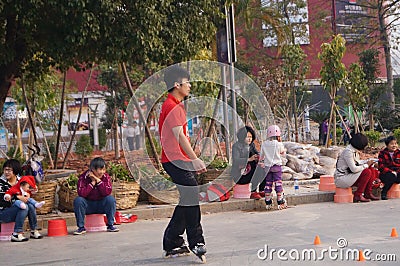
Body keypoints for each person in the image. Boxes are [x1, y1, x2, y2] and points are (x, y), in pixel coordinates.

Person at [159, 66, 207, 261]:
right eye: (187, 83)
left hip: (179, 160)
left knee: (188, 198)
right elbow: (179, 136)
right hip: (174, 160)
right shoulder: (171, 105)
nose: (189, 86)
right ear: (177, 85)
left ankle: (172, 241)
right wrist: (195, 159)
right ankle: (197, 242)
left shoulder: (176, 105)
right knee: (192, 196)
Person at [73, 157, 119, 235]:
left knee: (110, 199)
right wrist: (92, 183)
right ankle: (81, 227)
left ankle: (110, 225)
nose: (102, 172)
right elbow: (82, 193)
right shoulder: (83, 178)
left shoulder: (106, 177)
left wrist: (98, 181)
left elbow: (107, 192)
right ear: (92, 169)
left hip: (101, 205)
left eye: (103, 169)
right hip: (88, 206)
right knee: (78, 200)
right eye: (100, 170)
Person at [0, 159, 43, 241]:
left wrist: (31, 192)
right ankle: (17, 233)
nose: (6, 172)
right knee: (24, 207)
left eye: (9, 170)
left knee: (30, 205)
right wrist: (17, 198)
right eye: (5, 170)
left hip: (18, 210)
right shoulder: (1, 183)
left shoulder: (22, 181)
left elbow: (29, 189)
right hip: (3, 213)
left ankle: (34, 230)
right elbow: (2, 202)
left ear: (15, 170)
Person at [334, 133, 380, 202]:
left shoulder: (353, 150)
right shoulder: (348, 152)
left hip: (349, 175)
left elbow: (357, 162)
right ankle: (358, 195)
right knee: (366, 172)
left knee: (371, 169)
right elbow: (354, 169)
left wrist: (368, 162)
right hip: (342, 178)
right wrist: (366, 165)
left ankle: (368, 193)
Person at [231, 126, 266, 199]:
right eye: (247, 137)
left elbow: (256, 153)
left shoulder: (251, 145)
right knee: (256, 169)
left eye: (251, 137)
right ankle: (253, 192)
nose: (250, 139)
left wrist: (259, 157)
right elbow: (236, 160)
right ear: (242, 137)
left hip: (249, 171)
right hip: (240, 175)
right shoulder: (236, 146)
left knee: (263, 167)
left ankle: (262, 190)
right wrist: (249, 159)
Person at [259, 125, 287, 210]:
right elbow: (282, 152)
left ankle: (268, 201)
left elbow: (261, 156)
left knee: (268, 183)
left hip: (267, 167)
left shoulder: (264, 144)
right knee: (278, 183)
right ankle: (280, 200)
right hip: (277, 166)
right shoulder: (279, 144)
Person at [378, 136, 400, 200]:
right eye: (392, 144)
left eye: (395, 144)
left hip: (397, 172)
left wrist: (396, 172)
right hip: (386, 173)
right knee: (391, 176)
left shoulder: (399, 152)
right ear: (387, 145)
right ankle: (384, 193)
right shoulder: (382, 153)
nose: (394, 145)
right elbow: (381, 166)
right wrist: (390, 171)